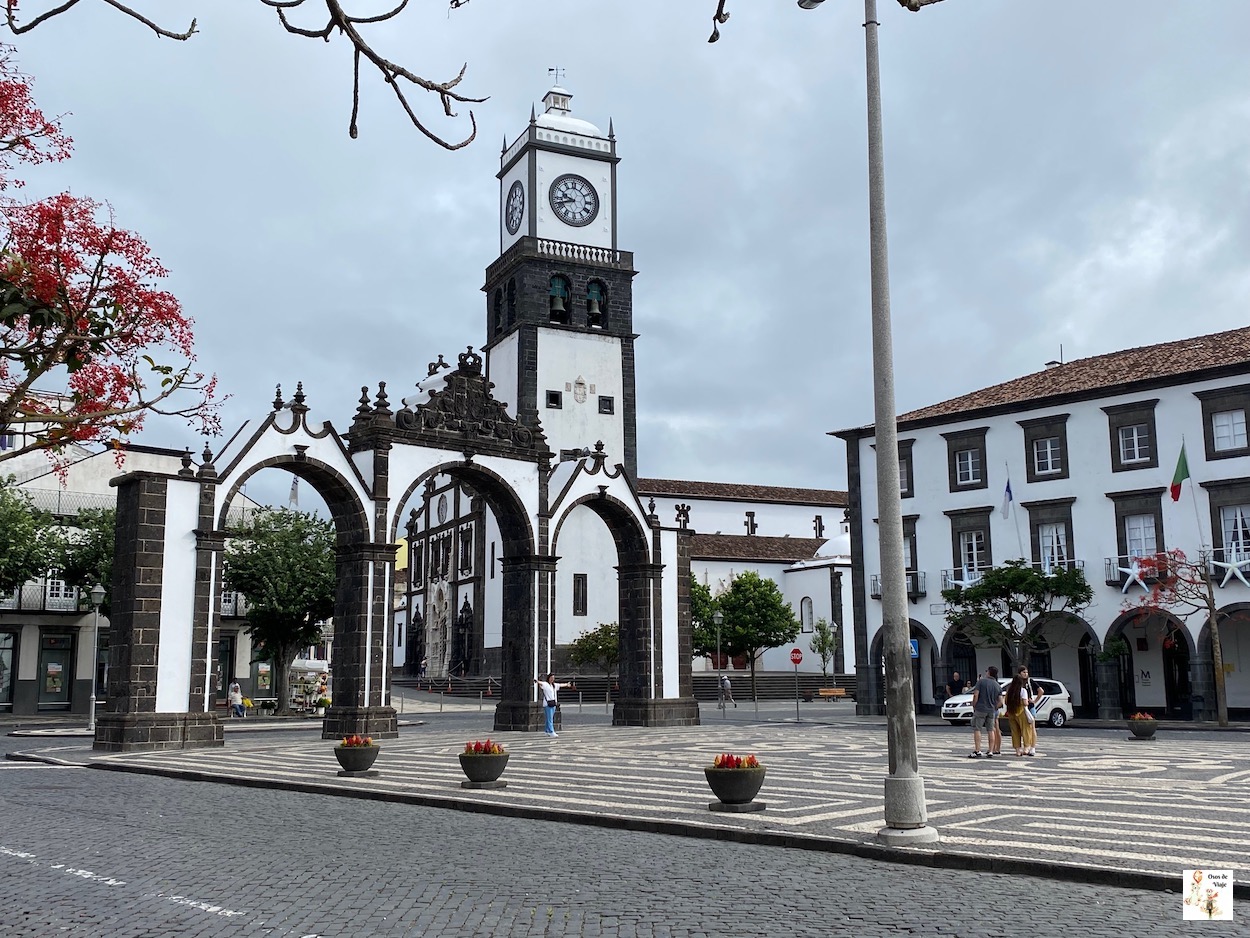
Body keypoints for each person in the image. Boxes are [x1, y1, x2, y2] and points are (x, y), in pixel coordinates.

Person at [968, 667, 1002, 758]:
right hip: (991, 710)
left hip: (980, 708)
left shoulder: (981, 682)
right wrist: (994, 707)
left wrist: (974, 705)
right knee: (991, 730)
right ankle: (991, 750)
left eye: (986, 671)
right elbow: (1000, 701)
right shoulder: (997, 685)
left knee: (977, 729)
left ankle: (977, 750)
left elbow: (976, 695)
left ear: (989, 672)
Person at [1004, 667, 1032, 757]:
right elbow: (1025, 703)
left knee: (1015, 731)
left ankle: (1018, 749)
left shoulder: (1009, 690)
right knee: (1025, 730)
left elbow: (1006, 702)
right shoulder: (1023, 690)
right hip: (1021, 712)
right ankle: (1026, 748)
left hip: (1011, 712)